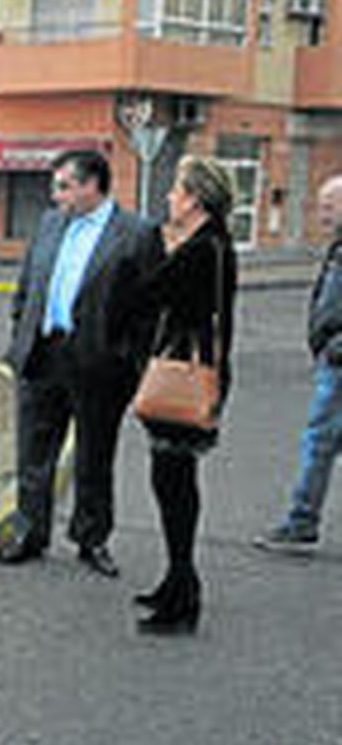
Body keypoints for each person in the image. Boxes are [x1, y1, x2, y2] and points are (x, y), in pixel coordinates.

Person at [0, 149, 164, 577]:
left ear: (93, 185)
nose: (57, 196)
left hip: (99, 364)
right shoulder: (51, 224)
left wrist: (127, 362)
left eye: (65, 186)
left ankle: (91, 540)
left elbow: (151, 311)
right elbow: (27, 286)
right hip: (42, 353)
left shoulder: (136, 233)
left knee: (95, 456)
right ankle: (30, 532)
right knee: (33, 452)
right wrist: (20, 332)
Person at [133, 157, 238, 634]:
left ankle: (183, 594)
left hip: (182, 377)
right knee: (174, 484)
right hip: (199, 372)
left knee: (174, 487)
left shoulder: (200, 249)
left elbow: (149, 292)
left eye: (176, 191)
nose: (168, 200)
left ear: (195, 198)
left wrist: (159, 247)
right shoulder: (215, 243)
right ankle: (176, 581)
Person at [253, 174, 342, 554]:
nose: (321, 214)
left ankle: (301, 521)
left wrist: (336, 345)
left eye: (328, 206)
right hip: (332, 358)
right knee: (322, 441)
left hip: (339, 364)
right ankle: (302, 519)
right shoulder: (338, 246)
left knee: (319, 442)